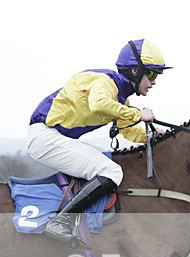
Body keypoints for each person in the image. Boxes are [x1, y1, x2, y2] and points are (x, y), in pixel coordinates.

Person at [27, 39, 171, 243]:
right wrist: (138, 113)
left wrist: (149, 135)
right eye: (151, 73)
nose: (154, 81)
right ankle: (61, 222)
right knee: (111, 171)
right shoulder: (106, 82)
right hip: (45, 136)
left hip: (55, 137)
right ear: (134, 71)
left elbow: (126, 129)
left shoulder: (121, 97)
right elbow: (99, 104)